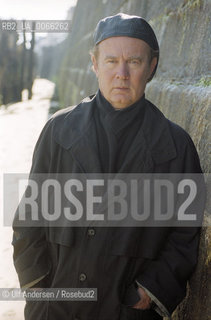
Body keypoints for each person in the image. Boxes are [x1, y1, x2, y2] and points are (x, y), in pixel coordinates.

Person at [12, 13, 204, 320]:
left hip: (125, 312)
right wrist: (36, 287)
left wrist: (148, 292)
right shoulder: (58, 130)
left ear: (152, 66)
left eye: (135, 62)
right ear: (94, 63)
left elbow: (184, 237)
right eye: (112, 61)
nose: (122, 73)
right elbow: (29, 216)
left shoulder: (176, 147)